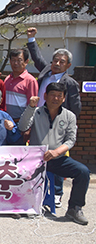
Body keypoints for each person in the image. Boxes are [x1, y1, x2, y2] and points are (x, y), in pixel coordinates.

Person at [18, 83, 90, 225]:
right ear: (45, 96)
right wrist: (30, 107)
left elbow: (71, 139)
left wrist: (57, 151)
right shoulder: (36, 111)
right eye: (52, 95)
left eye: (59, 96)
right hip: (35, 160)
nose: (55, 98)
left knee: (83, 172)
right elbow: (22, 126)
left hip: (58, 159)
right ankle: (21, 205)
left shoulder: (69, 116)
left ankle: (74, 208)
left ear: (64, 99)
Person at [26, 27, 81, 117]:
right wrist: (31, 38)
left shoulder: (70, 83)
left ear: (68, 65)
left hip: (56, 121)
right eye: (55, 60)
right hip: (37, 117)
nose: (57, 64)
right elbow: (37, 57)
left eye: (62, 62)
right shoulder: (46, 71)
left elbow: (75, 108)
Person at [3, 47, 39, 120]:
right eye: (13, 60)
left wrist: (27, 127)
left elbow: (32, 106)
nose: (16, 63)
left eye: (19, 60)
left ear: (26, 62)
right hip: (5, 121)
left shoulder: (30, 81)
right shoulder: (7, 79)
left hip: (20, 123)